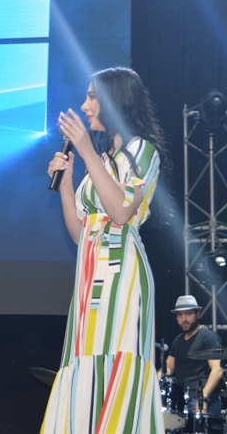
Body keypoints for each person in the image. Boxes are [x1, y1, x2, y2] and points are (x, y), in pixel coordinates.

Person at [42, 67, 170, 433]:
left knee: (117, 365)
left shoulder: (142, 151)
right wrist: (67, 184)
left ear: (115, 101)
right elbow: (81, 232)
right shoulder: (101, 161)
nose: (85, 106)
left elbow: (121, 211)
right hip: (89, 280)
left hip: (122, 278)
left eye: (92, 97)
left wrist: (85, 151)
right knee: (85, 365)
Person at [164, 295, 223, 419]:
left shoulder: (208, 337)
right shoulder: (178, 340)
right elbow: (168, 369)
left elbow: (217, 370)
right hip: (181, 401)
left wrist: (202, 398)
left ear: (198, 314)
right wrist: (153, 376)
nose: (183, 319)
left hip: (204, 399)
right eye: (179, 315)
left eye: (188, 314)